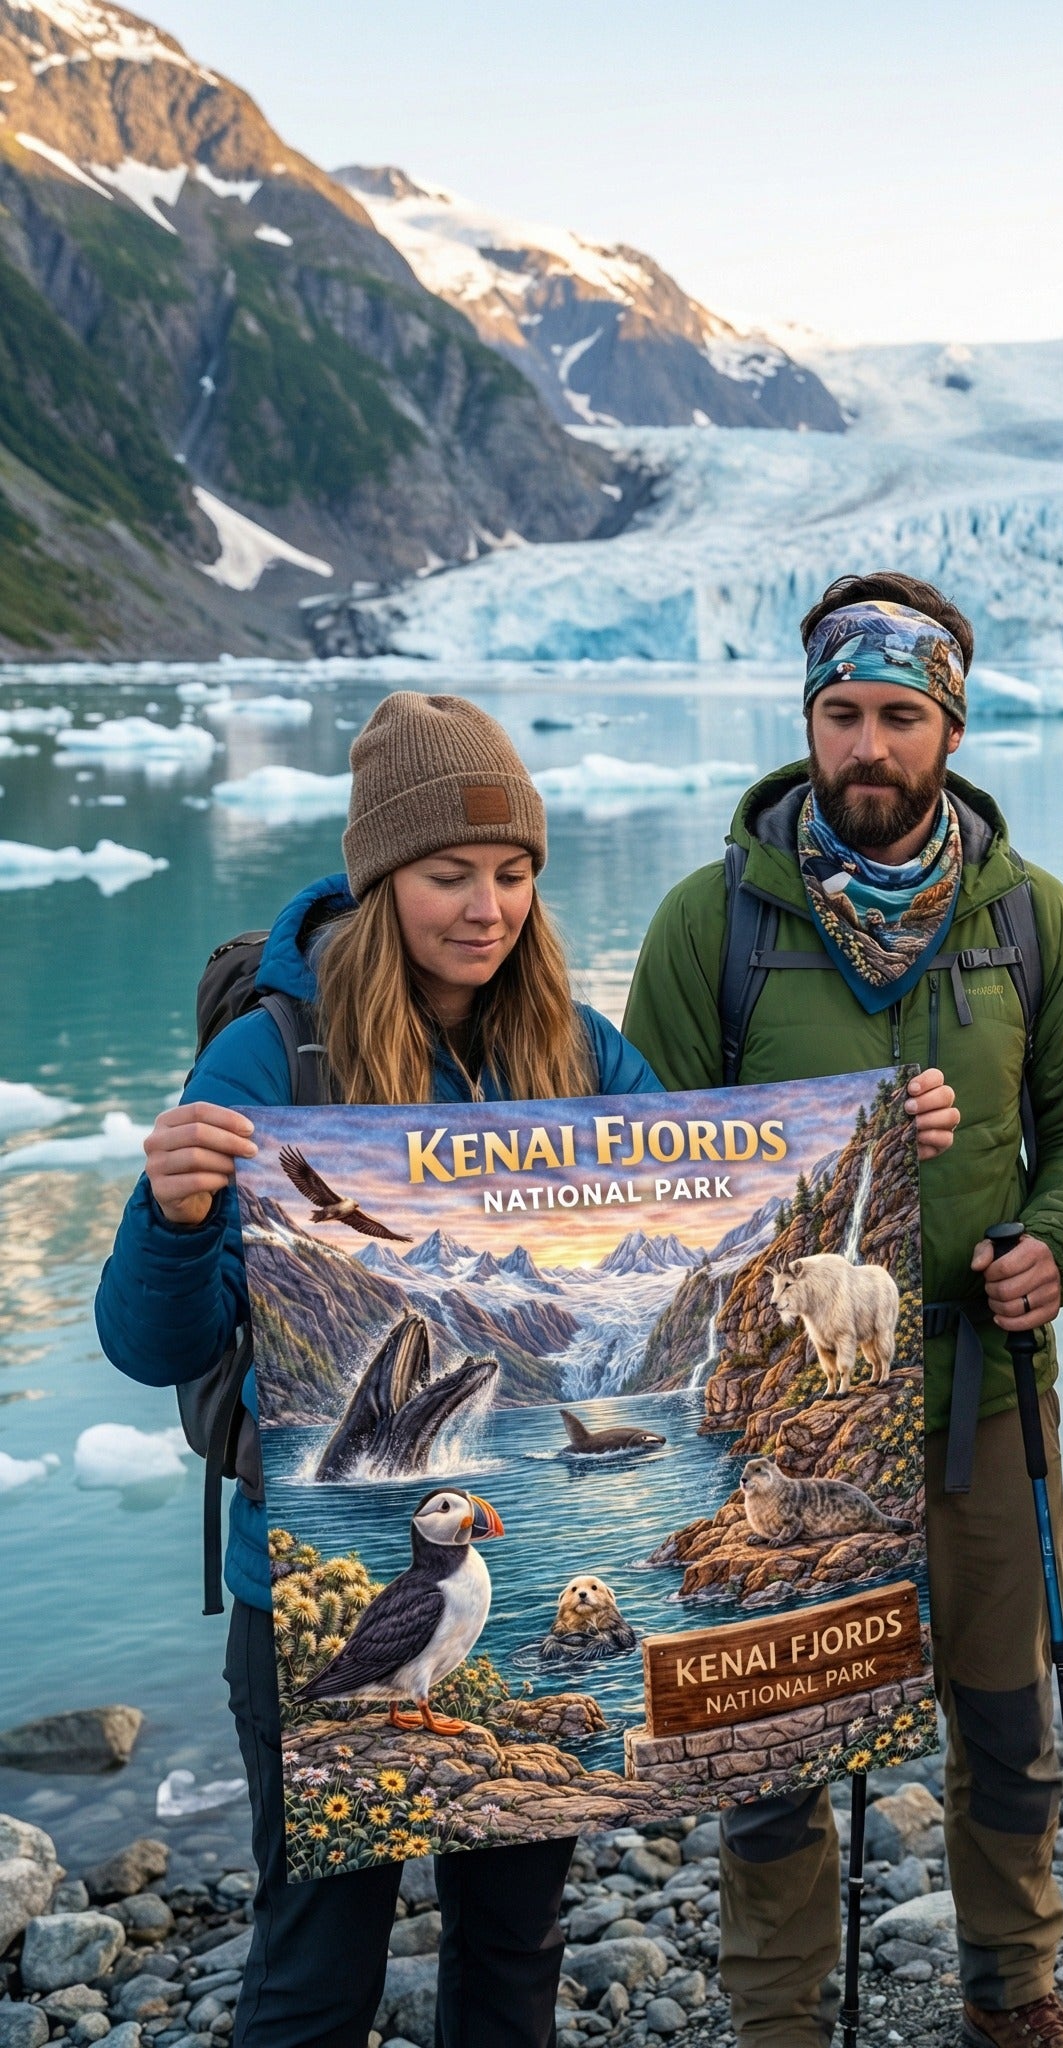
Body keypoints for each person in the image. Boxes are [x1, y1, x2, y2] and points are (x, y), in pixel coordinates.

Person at [95, 693, 662, 2048]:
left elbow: (693, 1171)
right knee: (315, 1966)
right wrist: (173, 1214)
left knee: (516, 1943)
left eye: (513, 872)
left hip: (485, 1619)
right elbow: (151, 1343)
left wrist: (881, 1140)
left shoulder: (581, 1051)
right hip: (288, 1575)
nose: (488, 908)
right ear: (380, 876)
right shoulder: (271, 1054)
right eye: (449, 873)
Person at [625, 570, 1063, 2048]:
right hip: (795, 1419)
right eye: (841, 713)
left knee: (1005, 1719)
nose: (868, 746)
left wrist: (1053, 1245)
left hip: (982, 1392)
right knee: (774, 1737)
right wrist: (836, 1152)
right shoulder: (713, 925)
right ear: (808, 721)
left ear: (951, 732)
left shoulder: (1028, 920)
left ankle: (1013, 1988)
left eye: (900, 716)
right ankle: (778, 2019)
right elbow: (654, 1173)